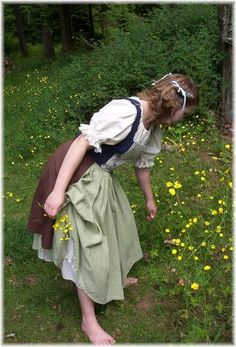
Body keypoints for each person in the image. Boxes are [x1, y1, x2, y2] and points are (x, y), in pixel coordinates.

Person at [28, 73, 199, 345]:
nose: (182, 119)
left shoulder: (153, 125)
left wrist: (149, 199)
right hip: (77, 171)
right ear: (175, 105)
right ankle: (89, 321)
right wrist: (58, 191)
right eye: (185, 113)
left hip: (102, 175)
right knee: (86, 242)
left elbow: (142, 165)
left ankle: (113, 279)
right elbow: (82, 142)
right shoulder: (125, 112)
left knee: (117, 228)